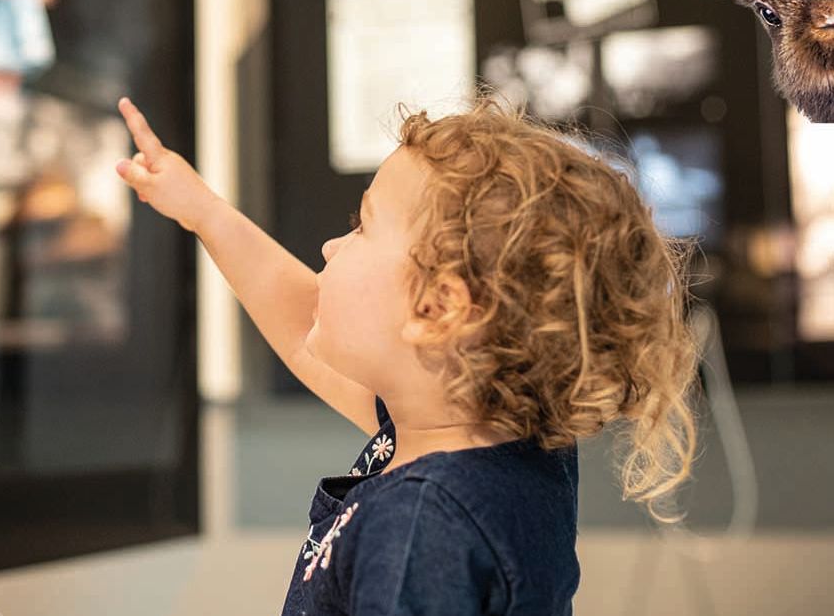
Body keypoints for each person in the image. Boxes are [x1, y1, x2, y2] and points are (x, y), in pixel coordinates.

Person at [115, 96, 699, 614]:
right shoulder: (498, 437)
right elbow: (302, 330)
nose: (330, 245)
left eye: (361, 227)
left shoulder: (423, 528)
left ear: (439, 308)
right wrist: (205, 213)